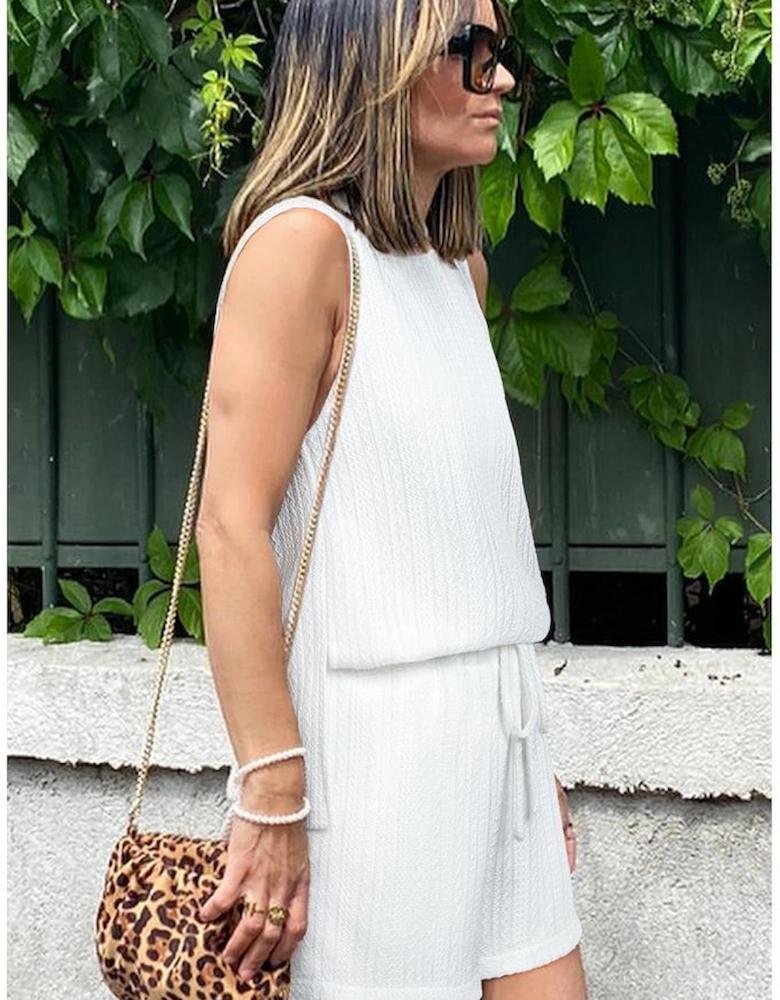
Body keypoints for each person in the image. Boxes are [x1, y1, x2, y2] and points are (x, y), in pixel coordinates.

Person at [194, 0, 589, 997]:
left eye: (501, 54)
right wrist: (272, 792)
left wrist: (524, 747)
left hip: (495, 744)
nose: (500, 80)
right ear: (374, 59)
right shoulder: (300, 248)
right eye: (472, 51)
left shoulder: (457, 268)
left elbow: (470, 538)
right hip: (372, 762)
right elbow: (231, 523)